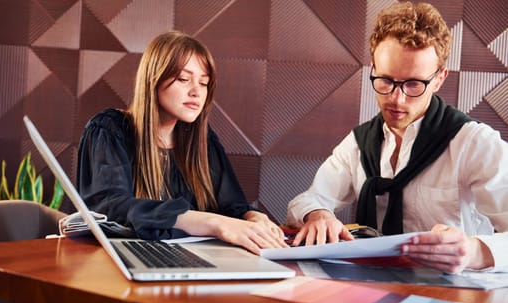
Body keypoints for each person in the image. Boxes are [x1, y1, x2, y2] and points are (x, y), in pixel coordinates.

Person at [286, 2, 508, 274]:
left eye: (414, 84)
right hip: (372, 289)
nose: (396, 99)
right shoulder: (359, 143)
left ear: (439, 79)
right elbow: (307, 200)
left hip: (459, 294)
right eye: (386, 80)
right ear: (373, 67)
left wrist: (476, 251)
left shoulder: (475, 144)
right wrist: (317, 214)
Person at [77, 31, 287, 255]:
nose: (197, 92)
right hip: (117, 261)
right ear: (153, 80)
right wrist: (211, 223)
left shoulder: (203, 139)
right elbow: (110, 207)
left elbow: (230, 206)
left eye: (204, 83)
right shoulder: (109, 129)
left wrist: (251, 216)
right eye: (184, 79)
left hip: (189, 262)